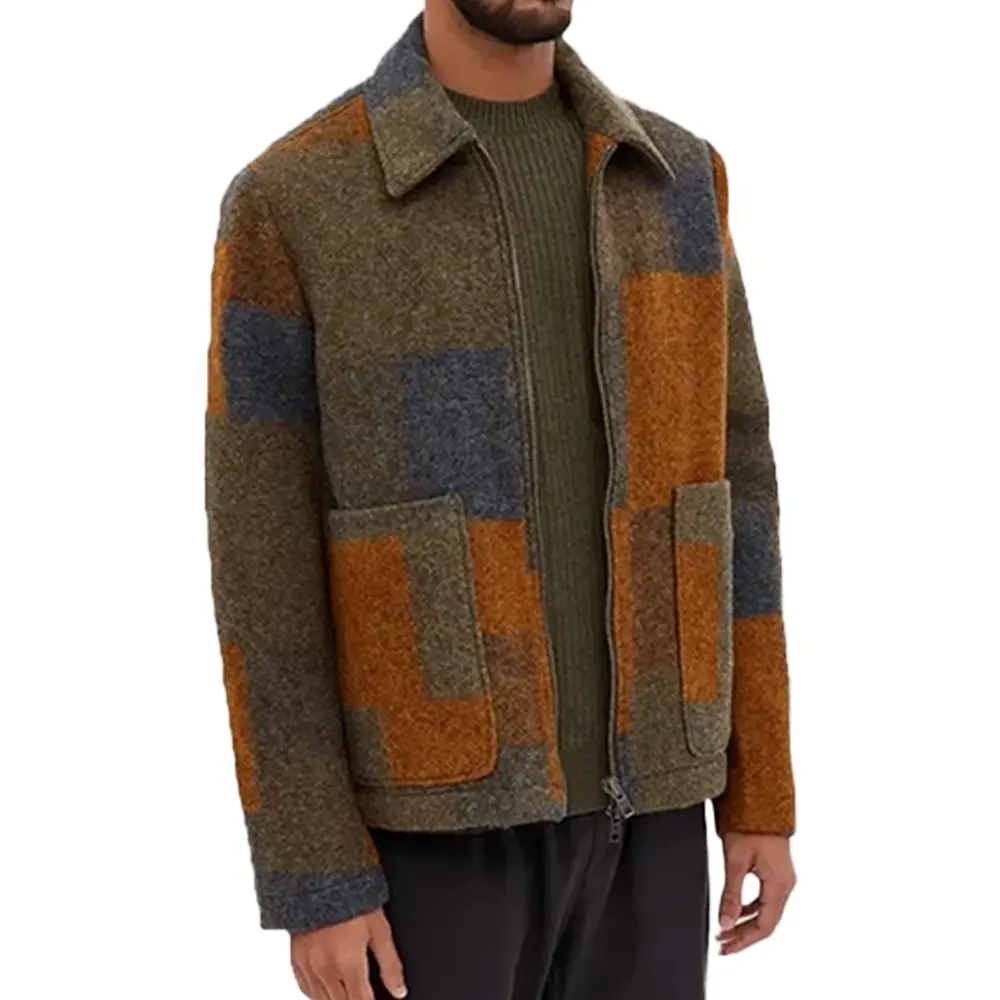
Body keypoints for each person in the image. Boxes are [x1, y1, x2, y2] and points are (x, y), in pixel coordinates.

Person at [203, 2, 797, 997]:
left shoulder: (676, 178)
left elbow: (740, 498)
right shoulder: (297, 197)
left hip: (655, 809)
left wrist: (759, 791)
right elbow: (262, 566)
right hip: (427, 826)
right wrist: (316, 874)